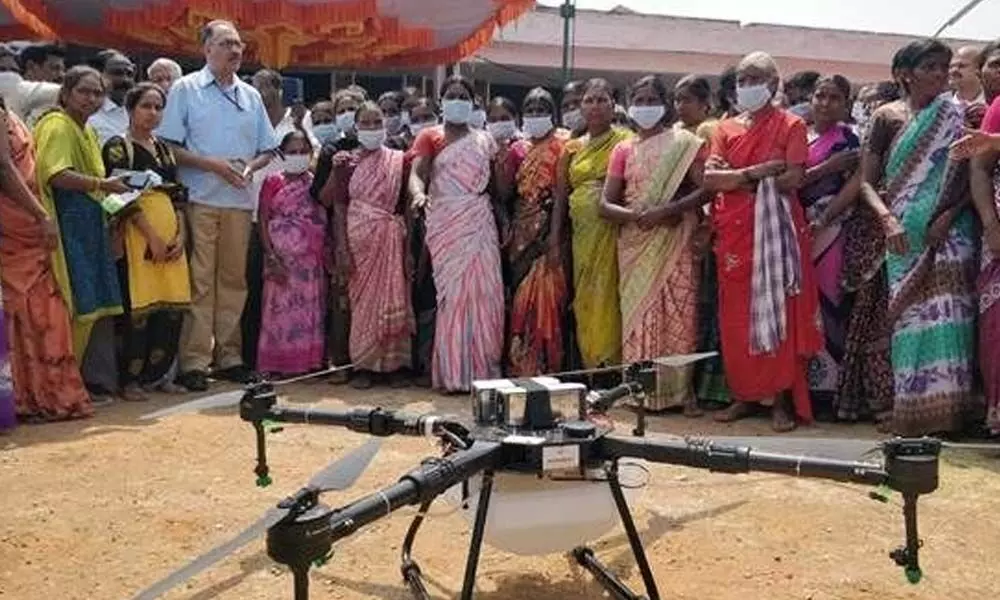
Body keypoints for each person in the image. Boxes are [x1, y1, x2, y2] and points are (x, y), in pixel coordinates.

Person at [702, 52, 824, 432]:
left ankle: (781, 401)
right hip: (735, 233)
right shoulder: (725, 129)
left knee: (781, 311)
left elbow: (792, 179)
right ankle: (744, 394)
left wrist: (737, 178)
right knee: (737, 316)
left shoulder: (791, 124)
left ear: (773, 84)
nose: (747, 85)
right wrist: (757, 172)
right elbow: (711, 179)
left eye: (756, 78)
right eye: (742, 78)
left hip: (778, 233)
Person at [157, 20, 279, 391]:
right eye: (226, 43)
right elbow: (169, 147)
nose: (235, 50)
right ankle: (195, 361)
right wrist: (212, 165)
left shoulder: (250, 95)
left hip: (239, 201)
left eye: (239, 44)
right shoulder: (186, 89)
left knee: (233, 281)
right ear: (206, 48)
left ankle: (230, 357)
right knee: (200, 280)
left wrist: (249, 167)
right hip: (200, 198)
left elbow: (266, 148)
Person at [880, 40, 976, 437]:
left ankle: (948, 417)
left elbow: (975, 176)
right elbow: (869, 183)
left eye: (945, 67)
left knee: (949, 318)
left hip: (950, 236)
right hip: (902, 238)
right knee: (910, 323)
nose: (940, 74)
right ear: (905, 73)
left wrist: (948, 215)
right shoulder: (887, 118)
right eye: (930, 67)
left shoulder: (960, 115)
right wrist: (887, 218)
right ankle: (911, 413)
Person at [601, 75, 707, 414]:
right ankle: (640, 391)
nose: (644, 107)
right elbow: (604, 204)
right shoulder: (622, 149)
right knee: (637, 315)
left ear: (665, 105)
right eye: (639, 100)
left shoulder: (683, 143)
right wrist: (636, 217)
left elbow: (704, 189)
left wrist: (667, 211)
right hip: (635, 240)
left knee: (680, 313)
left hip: (674, 238)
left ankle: (681, 392)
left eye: (651, 100)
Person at [33, 65, 134, 404]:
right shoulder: (57, 125)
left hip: (91, 226)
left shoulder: (87, 130)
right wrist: (102, 185)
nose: (91, 99)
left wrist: (116, 207)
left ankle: (85, 383)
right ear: (66, 93)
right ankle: (62, 387)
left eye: (97, 93)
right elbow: (56, 174)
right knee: (73, 305)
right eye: (84, 91)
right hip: (65, 226)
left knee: (93, 307)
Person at [407, 75, 506, 393]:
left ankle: (483, 373)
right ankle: (453, 374)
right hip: (447, 221)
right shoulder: (429, 137)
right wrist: (418, 195)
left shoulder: (485, 140)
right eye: (451, 95)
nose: (457, 100)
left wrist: (504, 218)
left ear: (473, 102)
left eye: (463, 96)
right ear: (441, 102)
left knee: (485, 296)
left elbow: (493, 188)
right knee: (452, 300)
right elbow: (417, 174)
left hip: (479, 220)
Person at [0, 100, 92, 423]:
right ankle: (40, 395)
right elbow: (4, 167)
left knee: (27, 306)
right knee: (37, 308)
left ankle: (29, 396)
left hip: (19, 220)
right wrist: (41, 216)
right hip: (19, 222)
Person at [101, 83, 191, 395]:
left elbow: (178, 196)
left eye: (158, 107)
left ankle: (160, 375)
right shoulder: (117, 147)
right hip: (136, 235)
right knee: (136, 307)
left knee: (171, 307)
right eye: (146, 106)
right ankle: (131, 379)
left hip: (170, 230)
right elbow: (120, 198)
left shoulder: (165, 150)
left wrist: (180, 234)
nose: (152, 113)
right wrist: (150, 236)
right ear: (130, 109)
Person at [552, 78, 631, 370]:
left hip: (615, 231)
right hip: (581, 236)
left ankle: (612, 366)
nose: (595, 106)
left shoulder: (625, 141)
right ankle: (591, 365)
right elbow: (562, 196)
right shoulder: (571, 147)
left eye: (602, 99)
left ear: (614, 105)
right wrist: (553, 239)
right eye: (589, 100)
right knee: (584, 296)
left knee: (610, 295)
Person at [797, 75, 861, 417]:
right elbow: (791, 181)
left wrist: (826, 218)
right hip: (796, 227)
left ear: (845, 103)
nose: (825, 103)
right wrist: (826, 168)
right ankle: (802, 386)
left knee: (830, 304)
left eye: (834, 97)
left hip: (833, 228)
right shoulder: (798, 137)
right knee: (802, 305)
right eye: (820, 96)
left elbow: (855, 184)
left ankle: (830, 391)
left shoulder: (850, 138)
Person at [338, 102, 413, 388]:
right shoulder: (347, 162)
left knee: (394, 296)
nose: (371, 129)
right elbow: (340, 205)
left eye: (376, 122)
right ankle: (363, 366)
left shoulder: (398, 159)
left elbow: (404, 205)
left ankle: (394, 366)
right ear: (356, 127)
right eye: (365, 124)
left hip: (391, 237)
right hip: (360, 238)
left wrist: (407, 250)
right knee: (362, 302)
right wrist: (342, 247)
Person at [507, 88, 571, 376]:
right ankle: (521, 366)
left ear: (553, 114)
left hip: (549, 233)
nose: (535, 114)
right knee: (520, 296)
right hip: (521, 232)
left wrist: (553, 236)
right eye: (530, 109)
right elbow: (507, 193)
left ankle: (547, 367)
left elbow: (560, 195)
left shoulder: (564, 145)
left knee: (550, 302)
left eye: (541, 108)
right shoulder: (517, 148)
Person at [241, 69, 300, 372]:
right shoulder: (248, 123)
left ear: (277, 88)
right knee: (252, 287)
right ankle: (250, 357)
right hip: (253, 216)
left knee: (287, 292)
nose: (257, 93)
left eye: (262, 86)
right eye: (253, 87)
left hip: (292, 227)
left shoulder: (299, 122)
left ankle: (288, 356)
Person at [675, 74, 729, 407]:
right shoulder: (677, 136)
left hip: (702, 225)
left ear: (705, 104)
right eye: (677, 100)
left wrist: (704, 226)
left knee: (703, 304)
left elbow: (707, 186)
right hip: (680, 226)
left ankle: (703, 386)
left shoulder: (707, 132)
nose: (681, 106)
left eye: (688, 100)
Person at [256, 130, 327, 376]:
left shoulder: (315, 182)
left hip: (308, 263)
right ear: (282, 155)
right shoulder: (273, 181)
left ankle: (305, 363)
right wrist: (271, 256)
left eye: (303, 152)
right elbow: (263, 218)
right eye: (292, 152)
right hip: (281, 261)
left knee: (307, 312)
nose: (298, 156)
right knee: (278, 311)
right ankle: (277, 364)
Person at [312, 87, 366, 383]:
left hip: (375, 234)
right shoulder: (331, 151)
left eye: (354, 107)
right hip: (340, 233)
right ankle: (341, 360)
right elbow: (323, 199)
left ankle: (369, 362)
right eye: (342, 109)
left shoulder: (380, 147)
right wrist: (337, 171)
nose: (348, 114)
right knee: (342, 300)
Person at [403, 96, 439, 384]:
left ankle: (433, 362)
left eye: (428, 115)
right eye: (416, 116)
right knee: (418, 296)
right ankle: (417, 362)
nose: (422, 122)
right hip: (413, 232)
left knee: (436, 297)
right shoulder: (400, 151)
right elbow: (414, 181)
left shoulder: (448, 143)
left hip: (451, 229)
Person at [88, 50, 136, 147]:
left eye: (129, 74)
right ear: (98, 75)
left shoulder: (139, 111)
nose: (125, 80)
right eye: (117, 73)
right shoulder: (88, 114)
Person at [950, 45, 987, 128]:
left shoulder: (992, 104)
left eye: (961, 66)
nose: (954, 70)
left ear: (979, 69)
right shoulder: (942, 107)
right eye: (951, 66)